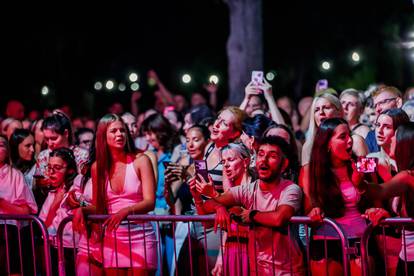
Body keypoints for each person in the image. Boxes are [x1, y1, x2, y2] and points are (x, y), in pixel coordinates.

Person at [192, 136, 304, 275]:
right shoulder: (248, 189)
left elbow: (279, 218)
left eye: (272, 156)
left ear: (284, 164)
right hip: (258, 270)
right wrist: (218, 206)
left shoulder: (291, 189)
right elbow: (207, 207)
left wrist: (251, 215)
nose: (264, 160)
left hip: (287, 271)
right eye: (261, 154)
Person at [76, 114, 157, 275]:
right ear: (103, 136)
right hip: (113, 237)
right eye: (114, 131)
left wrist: (126, 211)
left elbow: (150, 202)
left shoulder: (141, 160)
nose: (120, 134)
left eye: (122, 130)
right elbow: (100, 207)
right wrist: (83, 210)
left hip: (140, 235)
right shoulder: (97, 167)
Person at [305, 118, 369, 275]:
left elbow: (375, 201)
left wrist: (361, 184)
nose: (349, 141)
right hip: (326, 240)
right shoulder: (309, 171)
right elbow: (308, 209)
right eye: (342, 137)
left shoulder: (360, 165)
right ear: (327, 143)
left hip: (359, 239)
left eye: (350, 135)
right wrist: (313, 213)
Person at [0, 135, 38, 275]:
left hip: (10, 235)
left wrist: (3, 203)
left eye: (1, 145)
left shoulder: (15, 176)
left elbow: (27, 211)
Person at [38, 147, 78, 276]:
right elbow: (43, 225)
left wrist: (78, 203)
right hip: (54, 247)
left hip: (73, 248)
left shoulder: (77, 189)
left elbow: (87, 206)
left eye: (57, 168)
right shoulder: (52, 193)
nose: (51, 172)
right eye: (49, 167)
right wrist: (55, 204)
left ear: (70, 170)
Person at [365, 86, 403, 153]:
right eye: (375, 106)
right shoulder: (371, 137)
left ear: (398, 103)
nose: (377, 109)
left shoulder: (411, 132)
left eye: (382, 102)